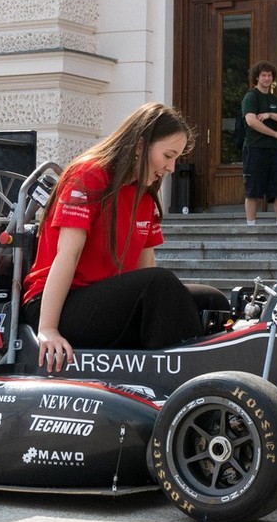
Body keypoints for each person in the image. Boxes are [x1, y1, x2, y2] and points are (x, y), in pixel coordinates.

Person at [22, 103, 202, 369]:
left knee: (208, 300)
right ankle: (185, 376)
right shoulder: (89, 175)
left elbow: (144, 270)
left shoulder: (144, 194)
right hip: (57, 304)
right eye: (168, 155)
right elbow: (67, 255)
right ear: (140, 145)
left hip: (103, 303)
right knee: (161, 284)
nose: (172, 168)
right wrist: (48, 328)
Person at [240, 61, 277, 225]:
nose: (267, 78)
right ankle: (251, 227)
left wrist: (270, 114)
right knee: (253, 190)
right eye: (263, 75)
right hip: (255, 148)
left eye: (269, 75)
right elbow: (251, 121)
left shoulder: (275, 100)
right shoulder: (251, 97)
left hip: (274, 150)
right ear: (257, 77)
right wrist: (275, 133)